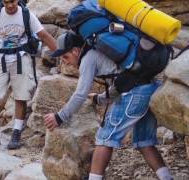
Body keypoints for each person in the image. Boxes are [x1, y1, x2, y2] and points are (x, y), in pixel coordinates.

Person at [44, 32, 173, 180]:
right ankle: (167, 178)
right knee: (144, 142)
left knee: (104, 138)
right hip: (149, 88)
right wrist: (100, 99)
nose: (64, 62)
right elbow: (122, 80)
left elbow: (80, 94)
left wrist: (60, 116)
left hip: (134, 94)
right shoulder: (104, 52)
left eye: (65, 56)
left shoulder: (88, 58)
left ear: (75, 50)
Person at [0, 0, 57, 149]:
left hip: (21, 57)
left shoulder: (27, 15)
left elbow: (44, 36)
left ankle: (16, 133)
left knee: (21, 96)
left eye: (13, 1)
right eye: (6, 2)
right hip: (1, 58)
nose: (10, 5)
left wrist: (61, 53)